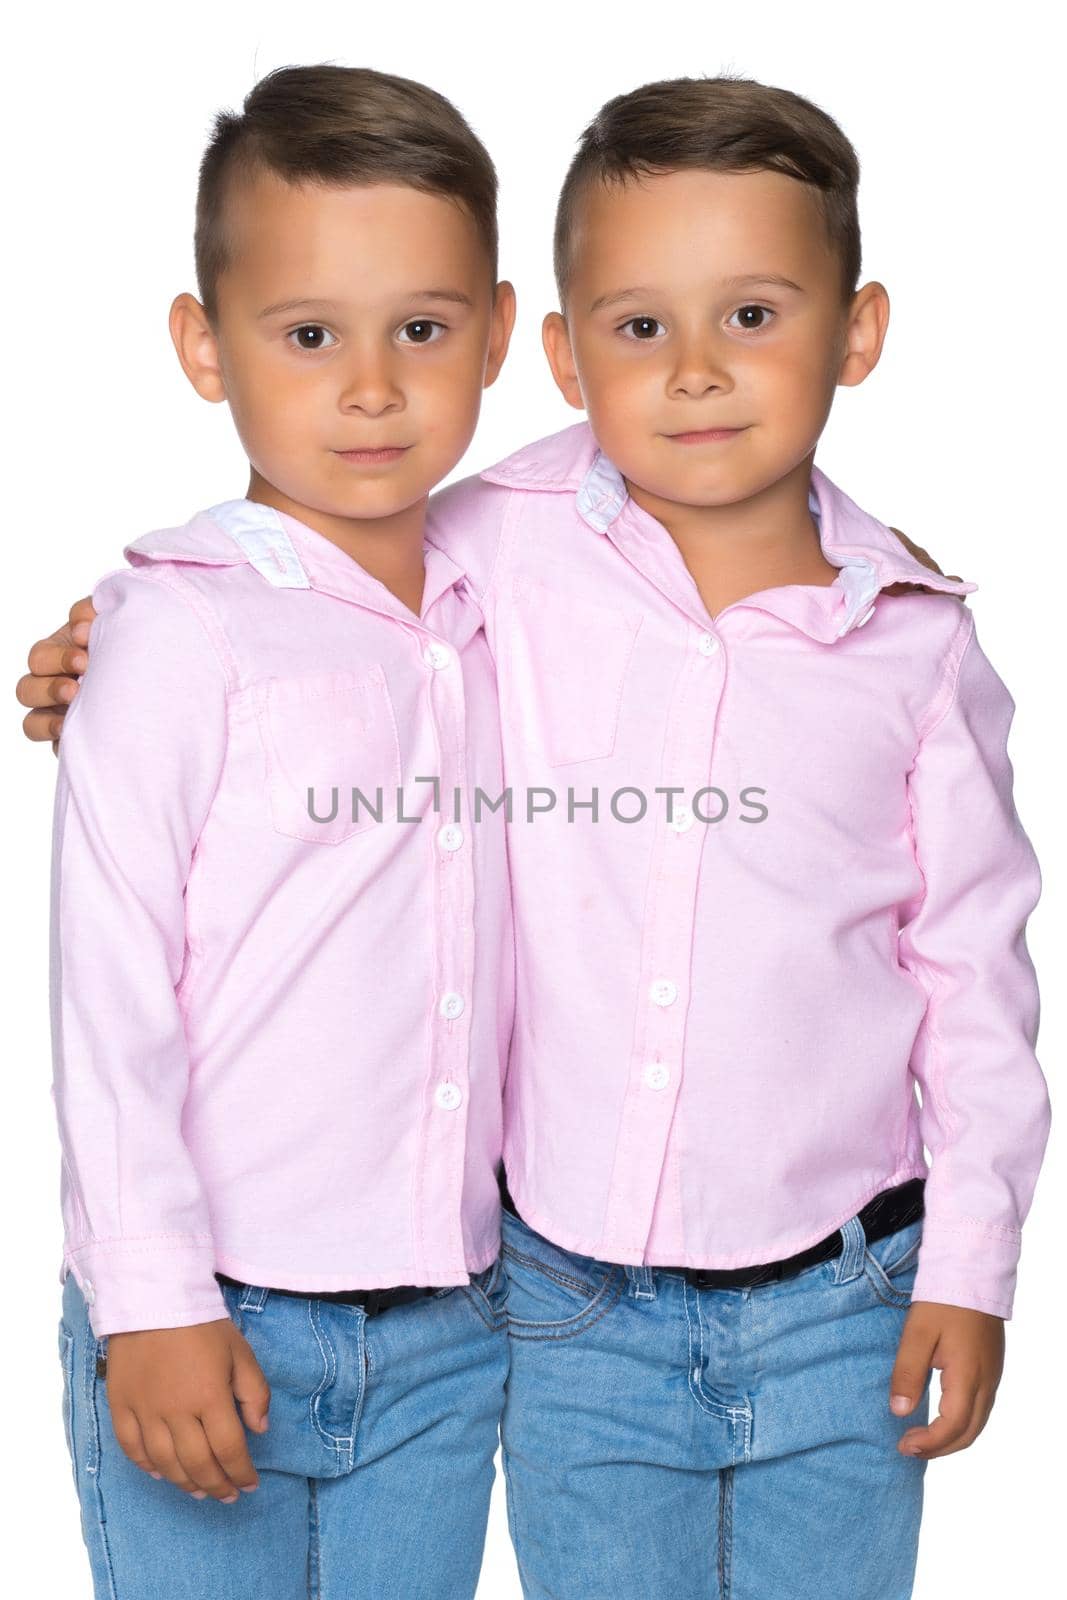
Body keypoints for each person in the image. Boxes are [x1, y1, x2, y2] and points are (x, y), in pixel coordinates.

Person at [17, 73, 1027, 1600]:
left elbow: (978, 974)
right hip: (491, 1301)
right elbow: (279, 589)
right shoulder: (447, 548)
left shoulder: (897, 633)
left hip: (773, 1287)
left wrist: (973, 1263)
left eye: (752, 315)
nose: (694, 373)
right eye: (639, 328)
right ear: (559, 351)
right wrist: (109, 646)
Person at [28, 63, 517, 1600]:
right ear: (204, 343)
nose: (369, 386)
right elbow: (109, 993)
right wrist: (150, 1301)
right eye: (308, 335)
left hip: (457, 1322)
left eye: (423, 331)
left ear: (501, 334)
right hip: (214, 1315)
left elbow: (704, 485)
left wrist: (857, 537)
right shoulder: (173, 632)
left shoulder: (522, 593)